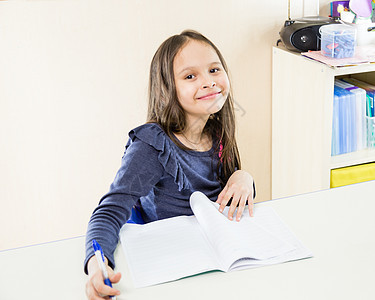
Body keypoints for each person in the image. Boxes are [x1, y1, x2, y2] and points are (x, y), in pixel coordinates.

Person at [84, 29, 256, 299]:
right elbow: (108, 212)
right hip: (176, 269)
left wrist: (244, 177)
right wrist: (98, 266)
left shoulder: (216, 129)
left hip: (221, 260)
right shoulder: (152, 146)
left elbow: (231, 194)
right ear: (167, 87)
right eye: (190, 76)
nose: (209, 82)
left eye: (214, 70)